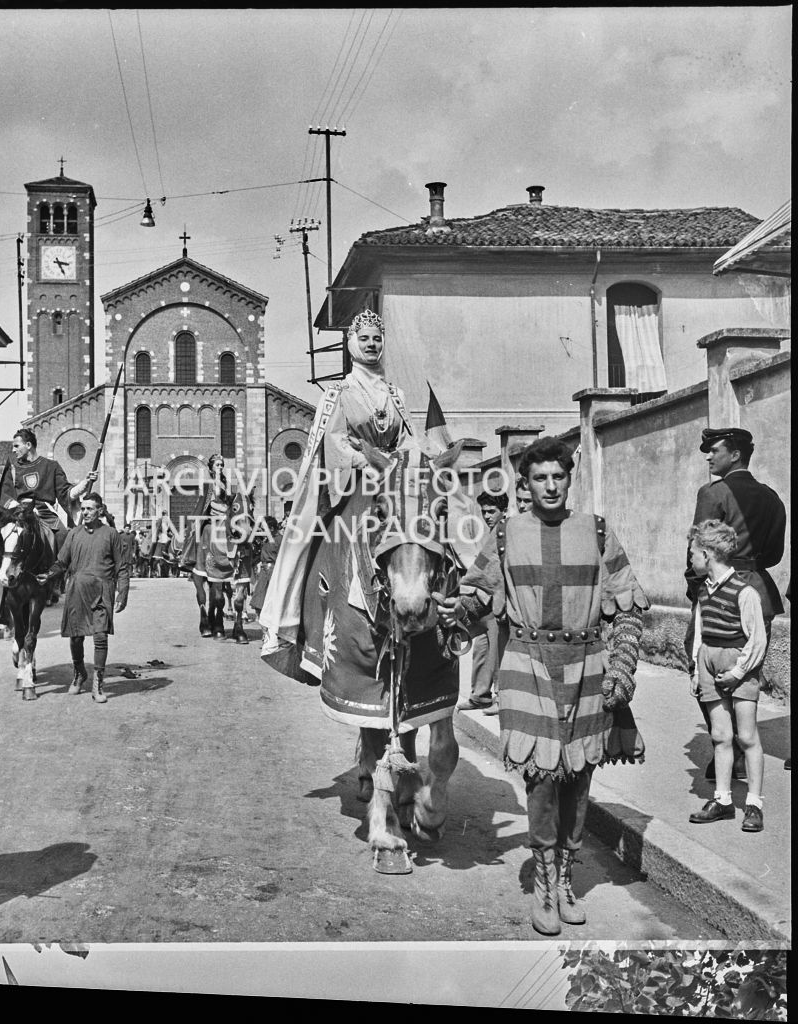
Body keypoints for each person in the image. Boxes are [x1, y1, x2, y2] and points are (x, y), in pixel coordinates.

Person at [436, 436, 648, 936]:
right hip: (526, 665)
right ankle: (544, 884)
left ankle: (568, 876)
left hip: (589, 666)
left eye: (558, 476)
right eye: (539, 478)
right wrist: (457, 610)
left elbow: (630, 604)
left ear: (569, 478)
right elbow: (477, 593)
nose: (550, 486)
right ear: (525, 485)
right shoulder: (506, 534)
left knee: (579, 777)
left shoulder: (596, 530)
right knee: (541, 779)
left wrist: (621, 666)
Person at [260, 309, 414, 677]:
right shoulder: (338, 392)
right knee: (321, 538)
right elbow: (335, 442)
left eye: (377, 338)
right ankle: (305, 618)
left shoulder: (396, 394)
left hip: (392, 480)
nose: (372, 344)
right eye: (364, 339)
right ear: (350, 345)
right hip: (357, 483)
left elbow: (407, 439)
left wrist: (403, 459)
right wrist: (366, 461)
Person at [686, 427, 786, 782]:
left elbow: (698, 550)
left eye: (714, 450)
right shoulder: (772, 497)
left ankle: (725, 752)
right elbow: (774, 553)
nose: (708, 457)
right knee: (748, 670)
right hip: (759, 589)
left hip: (718, 591)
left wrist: (698, 595)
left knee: (704, 668)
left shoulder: (714, 493)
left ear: (736, 455)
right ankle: (743, 747)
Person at [687, 520, 767, 833]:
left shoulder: (745, 593)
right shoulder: (703, 591)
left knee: (746, 737)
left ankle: (754, 804)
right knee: (721, 736)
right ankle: (722, 801)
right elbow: (701, 633)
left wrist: (736, 673)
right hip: (709, 663)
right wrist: (696, 668)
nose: (691, 558)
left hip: (740, 667)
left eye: (693, 553)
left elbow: (757, 640)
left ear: (707, 554)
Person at [39, 492, 130, 704]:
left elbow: (122, 566)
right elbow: (62, 562)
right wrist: (48, 574)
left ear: (99, 510)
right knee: (76, 636)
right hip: (77, 590)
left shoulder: (110, 534)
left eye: (90, 508)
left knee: (100, 636)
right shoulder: (73, 534)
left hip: (101, 591)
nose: (85, 512)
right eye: (83, 508)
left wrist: (122, 593)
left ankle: (98, 682)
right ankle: (80, 672)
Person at [0, 428, 96, 560]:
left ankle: (60, 573)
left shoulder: (51, 466)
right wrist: (17, 507)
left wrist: (85, 483)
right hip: (19, 511)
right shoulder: (13, 467)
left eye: (16, 446)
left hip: (45, 513)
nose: (13, 450)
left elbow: (66, 493)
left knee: (63, 536)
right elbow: (5, 494)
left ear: (28, 445)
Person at [457, 490, 510, 713]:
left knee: (499, 649)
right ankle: (480, 695)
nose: (487, 515)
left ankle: (500, 698)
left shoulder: (505, 532)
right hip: (484, 602)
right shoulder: (488, 534)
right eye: (484, 511)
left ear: (503, 511)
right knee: (481, 648)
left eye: (492, 511)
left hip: (500, 602)